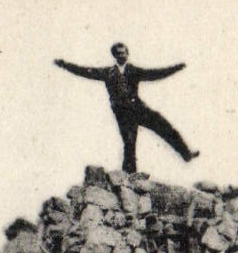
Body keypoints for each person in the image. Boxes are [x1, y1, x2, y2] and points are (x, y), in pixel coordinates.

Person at [54, 43, 199, 175]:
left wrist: (176, 68)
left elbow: (155, 74)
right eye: (118, 53)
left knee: (164, 126)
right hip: (123, 113)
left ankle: (186, 154)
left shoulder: (133, 70)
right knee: (129, 143)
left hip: (138, 108)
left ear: (127, 54)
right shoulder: (108, 72)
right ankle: (129, 176)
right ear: (114, 55)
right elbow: (85, 71)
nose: (121, 55)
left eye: (123, 53)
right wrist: (64, 65)